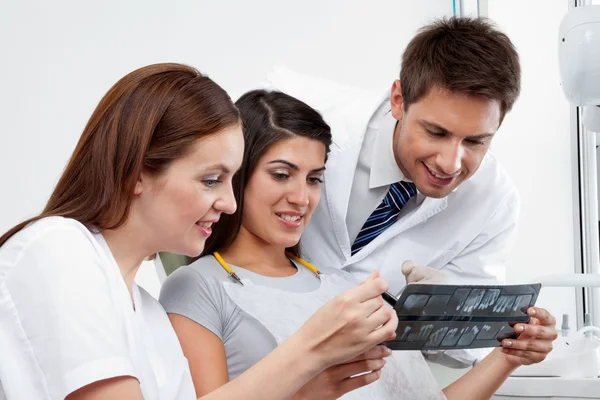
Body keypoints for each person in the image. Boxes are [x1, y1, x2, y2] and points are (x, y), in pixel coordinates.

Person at [0, 63, 398, 400]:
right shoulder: (58, 247)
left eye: (231, 180)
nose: (230, 203)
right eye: (211, 180)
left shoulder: (151, 315)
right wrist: (310, 350)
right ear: (137, 172)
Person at [159, 89, 557, 400]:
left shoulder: (344, 290)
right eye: (282, 175)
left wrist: (508, 354)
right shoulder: (199, 287)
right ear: (238, 175)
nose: (302, 197)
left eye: (314, 178)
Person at [262, 16, 525, 367]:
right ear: (398, 100)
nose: (450, 163)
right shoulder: (307, 114)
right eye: (436, 132)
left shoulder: (494, 202)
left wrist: (437, 311)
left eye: (476, 141)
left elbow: (471, 350)